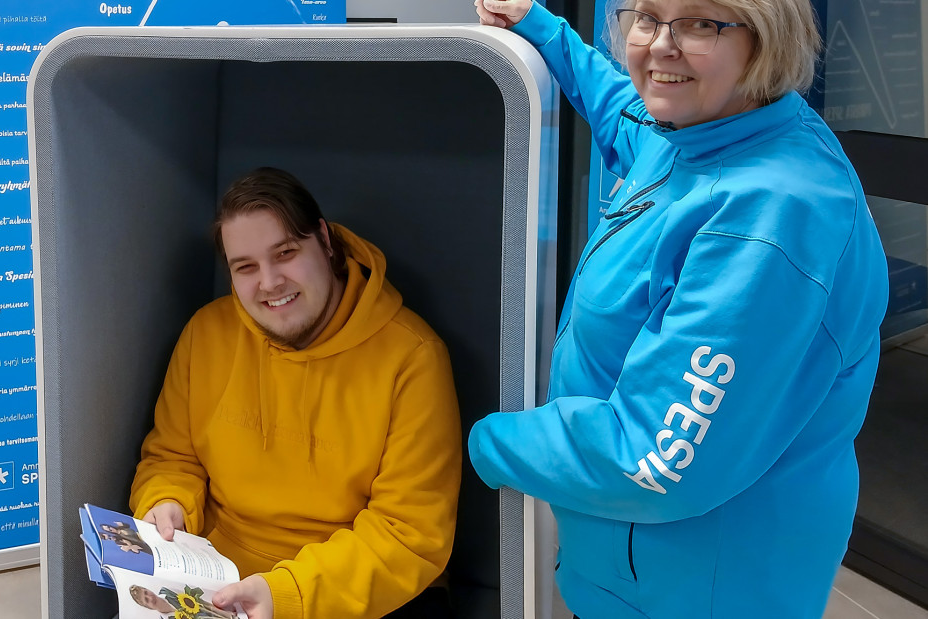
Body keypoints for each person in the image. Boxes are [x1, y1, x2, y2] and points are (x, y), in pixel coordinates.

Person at [468, 0, 889, 618]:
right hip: (629, 570)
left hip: (696, 592)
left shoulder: (766, 218)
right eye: (646, 17)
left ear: (765, 43)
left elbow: (653, 457)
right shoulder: (697, 131)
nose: (661, 45)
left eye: (700, 23)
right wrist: (539, 25)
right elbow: (621, 110)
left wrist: (480, 440)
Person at [130, 167, 462, 619]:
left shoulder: (414, 357)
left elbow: (408, 536)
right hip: (218, 581)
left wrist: (287, 595)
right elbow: (172, 457)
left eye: (285, 253)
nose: (269, 283)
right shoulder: (207, 332)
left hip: (357, 595)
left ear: (324, 240)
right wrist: (165, 501)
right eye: (245, 267)